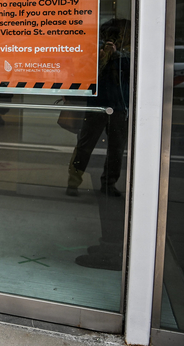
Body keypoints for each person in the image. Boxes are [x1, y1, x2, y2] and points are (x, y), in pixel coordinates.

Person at [67, 18, 131, 271]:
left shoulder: (124, 56)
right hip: (104, 107)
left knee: (108, 148)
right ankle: (81, 179)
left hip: (111, 108)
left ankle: (102, 182)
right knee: (92, 145)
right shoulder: (105, 55)